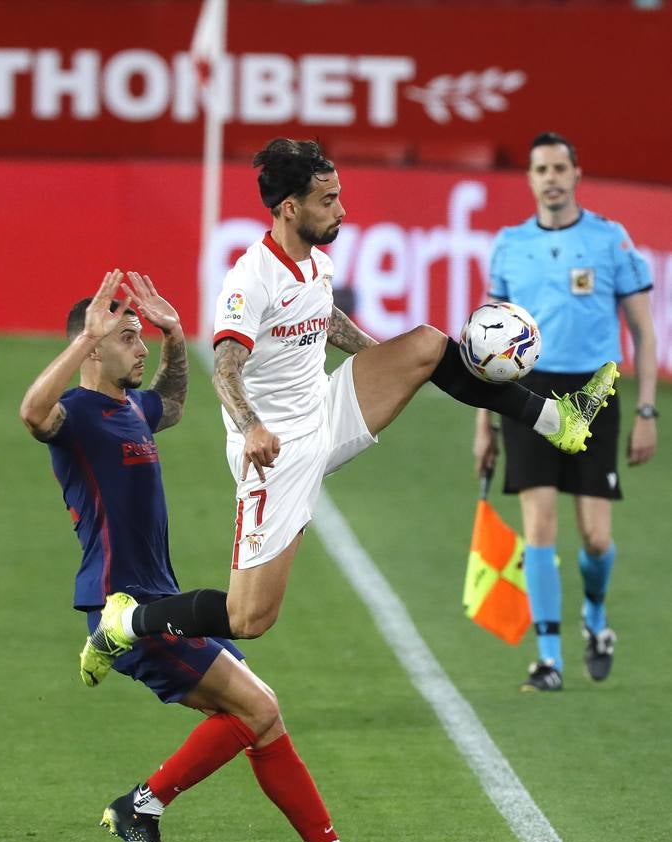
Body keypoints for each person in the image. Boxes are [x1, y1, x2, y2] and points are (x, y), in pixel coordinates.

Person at [82, 137, 618, 670]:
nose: (341, 209)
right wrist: (250, 428)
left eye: (339, 196)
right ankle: (124, 624)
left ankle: (557, 418)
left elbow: (325, 318)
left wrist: (387, 360)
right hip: (276, 453)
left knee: (428, 344)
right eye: (328, 200)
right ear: (290, 209)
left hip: (326, 409)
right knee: (250, 618)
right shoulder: (250, 279)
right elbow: (225, 368)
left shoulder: (315, 263)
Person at [19, 269, 407, 842]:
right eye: (127, 336)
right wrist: (79, 343)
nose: (139, 346)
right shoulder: (79, 413)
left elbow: (171, 403)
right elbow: (32, 413)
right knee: (257, 709)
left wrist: (175, 337)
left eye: (141, 336)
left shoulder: (130, 409)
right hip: (126, 606)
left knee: (261, 719)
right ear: (92, 346)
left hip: (159, 602)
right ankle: (141, 807)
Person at [473, 132, 658, 692]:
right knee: (541, 527)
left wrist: (647, 409)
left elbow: (645, 334)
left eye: (559, 168)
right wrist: (484, 424)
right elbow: (487, 347)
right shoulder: (508, 245)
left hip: (595, 393)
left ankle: (595, 620)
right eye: (540, 169)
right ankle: (548, 658)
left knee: (596, 538)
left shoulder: (611, 241)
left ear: (576, 174)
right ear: (529, 179)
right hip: (528, 393)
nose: (550, 177)